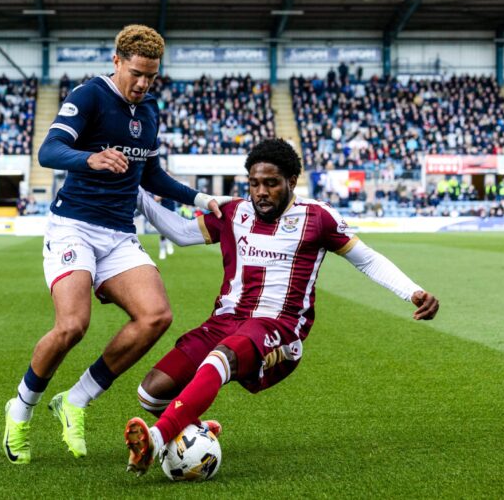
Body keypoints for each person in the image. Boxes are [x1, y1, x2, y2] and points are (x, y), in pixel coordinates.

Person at [123, 138, 439, 475]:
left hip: (279, 327)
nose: (261, 191)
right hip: (225, 319)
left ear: (291, 180)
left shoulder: (317, 218)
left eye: (271, 183)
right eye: (255, 183)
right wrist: (136, 193)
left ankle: (155, 439)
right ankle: (200, 428)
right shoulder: (234, 212)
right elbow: (183, 233)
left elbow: (368, 260)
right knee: (151, 392)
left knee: (220, 358)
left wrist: (413, 292)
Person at [2, 24, 229, 464]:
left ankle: (76, 400)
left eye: (152, 76)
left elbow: (151, 175)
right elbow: (48, 152)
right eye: (137, 73)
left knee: (156, 316)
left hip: (119, 233)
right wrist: (89, 157)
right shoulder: (89, 96)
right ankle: (21, 408)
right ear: (117, 61)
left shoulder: (149, 112)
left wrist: (199, 198)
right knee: (72, 326)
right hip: (73, 227)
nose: (143, 84)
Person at [154, 195, 175, 260]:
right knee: (163, 232)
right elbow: (156, 199)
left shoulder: (173, 188)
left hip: (172, 212)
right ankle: (162, 250)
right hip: (163, 212)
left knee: (171, 230)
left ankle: (169, 243)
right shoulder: (161, 188)